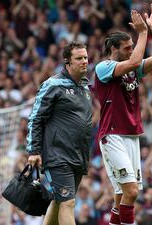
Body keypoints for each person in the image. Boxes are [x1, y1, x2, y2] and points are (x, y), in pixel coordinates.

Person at [94, 4, 152, 225]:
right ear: (113, 49)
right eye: (127, 47)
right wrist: (143, 32)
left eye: (131, 46)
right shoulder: (104, 67)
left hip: (131, 134)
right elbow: (135, 61)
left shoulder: (132, 68)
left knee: (121, 195)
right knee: (132, 191)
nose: (131, 50)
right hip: (113, 134)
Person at [26, 41, 92, 225]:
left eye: (86, 57)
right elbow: (35, 118)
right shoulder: (53, 84)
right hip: (57, 155)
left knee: (60, 200)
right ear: (67, 62)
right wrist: (33, 151)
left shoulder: (85, 87)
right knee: (68, 202)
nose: (84, 61)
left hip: (78, 156)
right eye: (79, 58)